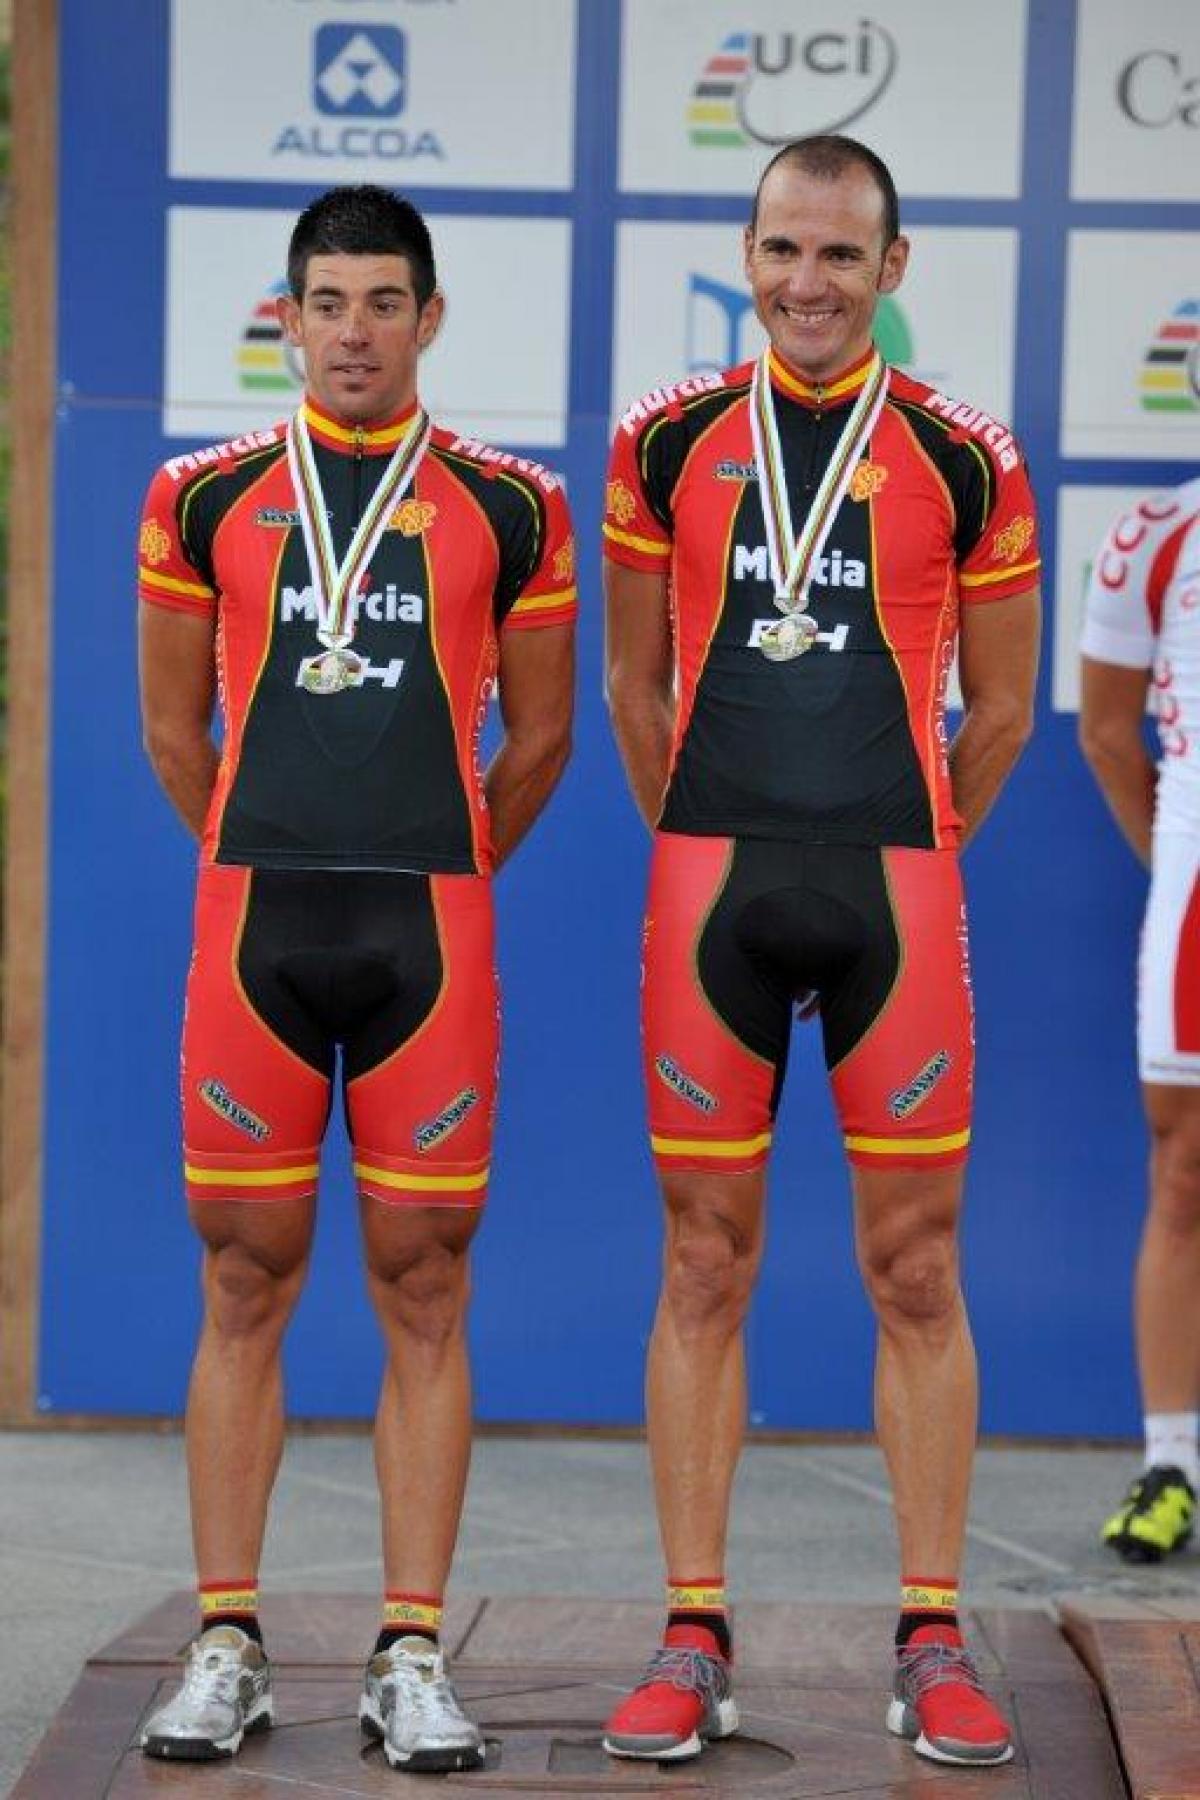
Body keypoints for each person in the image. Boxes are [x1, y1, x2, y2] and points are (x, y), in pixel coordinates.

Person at [601, 134, 1040, 1769]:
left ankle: (930, 1634)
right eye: (781, 249)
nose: (805, 283)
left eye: (840, 256)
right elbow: (635, 693)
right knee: (704, 1261)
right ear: (748, 251)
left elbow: (998, 714)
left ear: (893, 269)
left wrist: (903, 836)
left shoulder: (969, 457)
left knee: (915, 1268)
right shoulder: (667, 444)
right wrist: (714, 822)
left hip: (893, 895)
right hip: (711, 883)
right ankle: (692, 1629)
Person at [135, 185, 575, 1771]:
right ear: (290, 316)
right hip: (254, 928)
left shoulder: (510, 506)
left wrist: (439, 861)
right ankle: (228, 1638)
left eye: (386, 302)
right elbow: (176, 734)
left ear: (431, 318)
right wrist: (270, 845)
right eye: (329, 301)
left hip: (428, 937)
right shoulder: (202, 498)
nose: (356, 332)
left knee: (427, 1287)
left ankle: (408, 1651)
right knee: (243, 1283)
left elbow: (543, 742)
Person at [1080, 479, 1200, 1563]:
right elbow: (1110, 733)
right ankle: (1172, 1464)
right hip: (1198, 885)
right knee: (1184, 1169)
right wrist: (1174, 869)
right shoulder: (1156, 536)